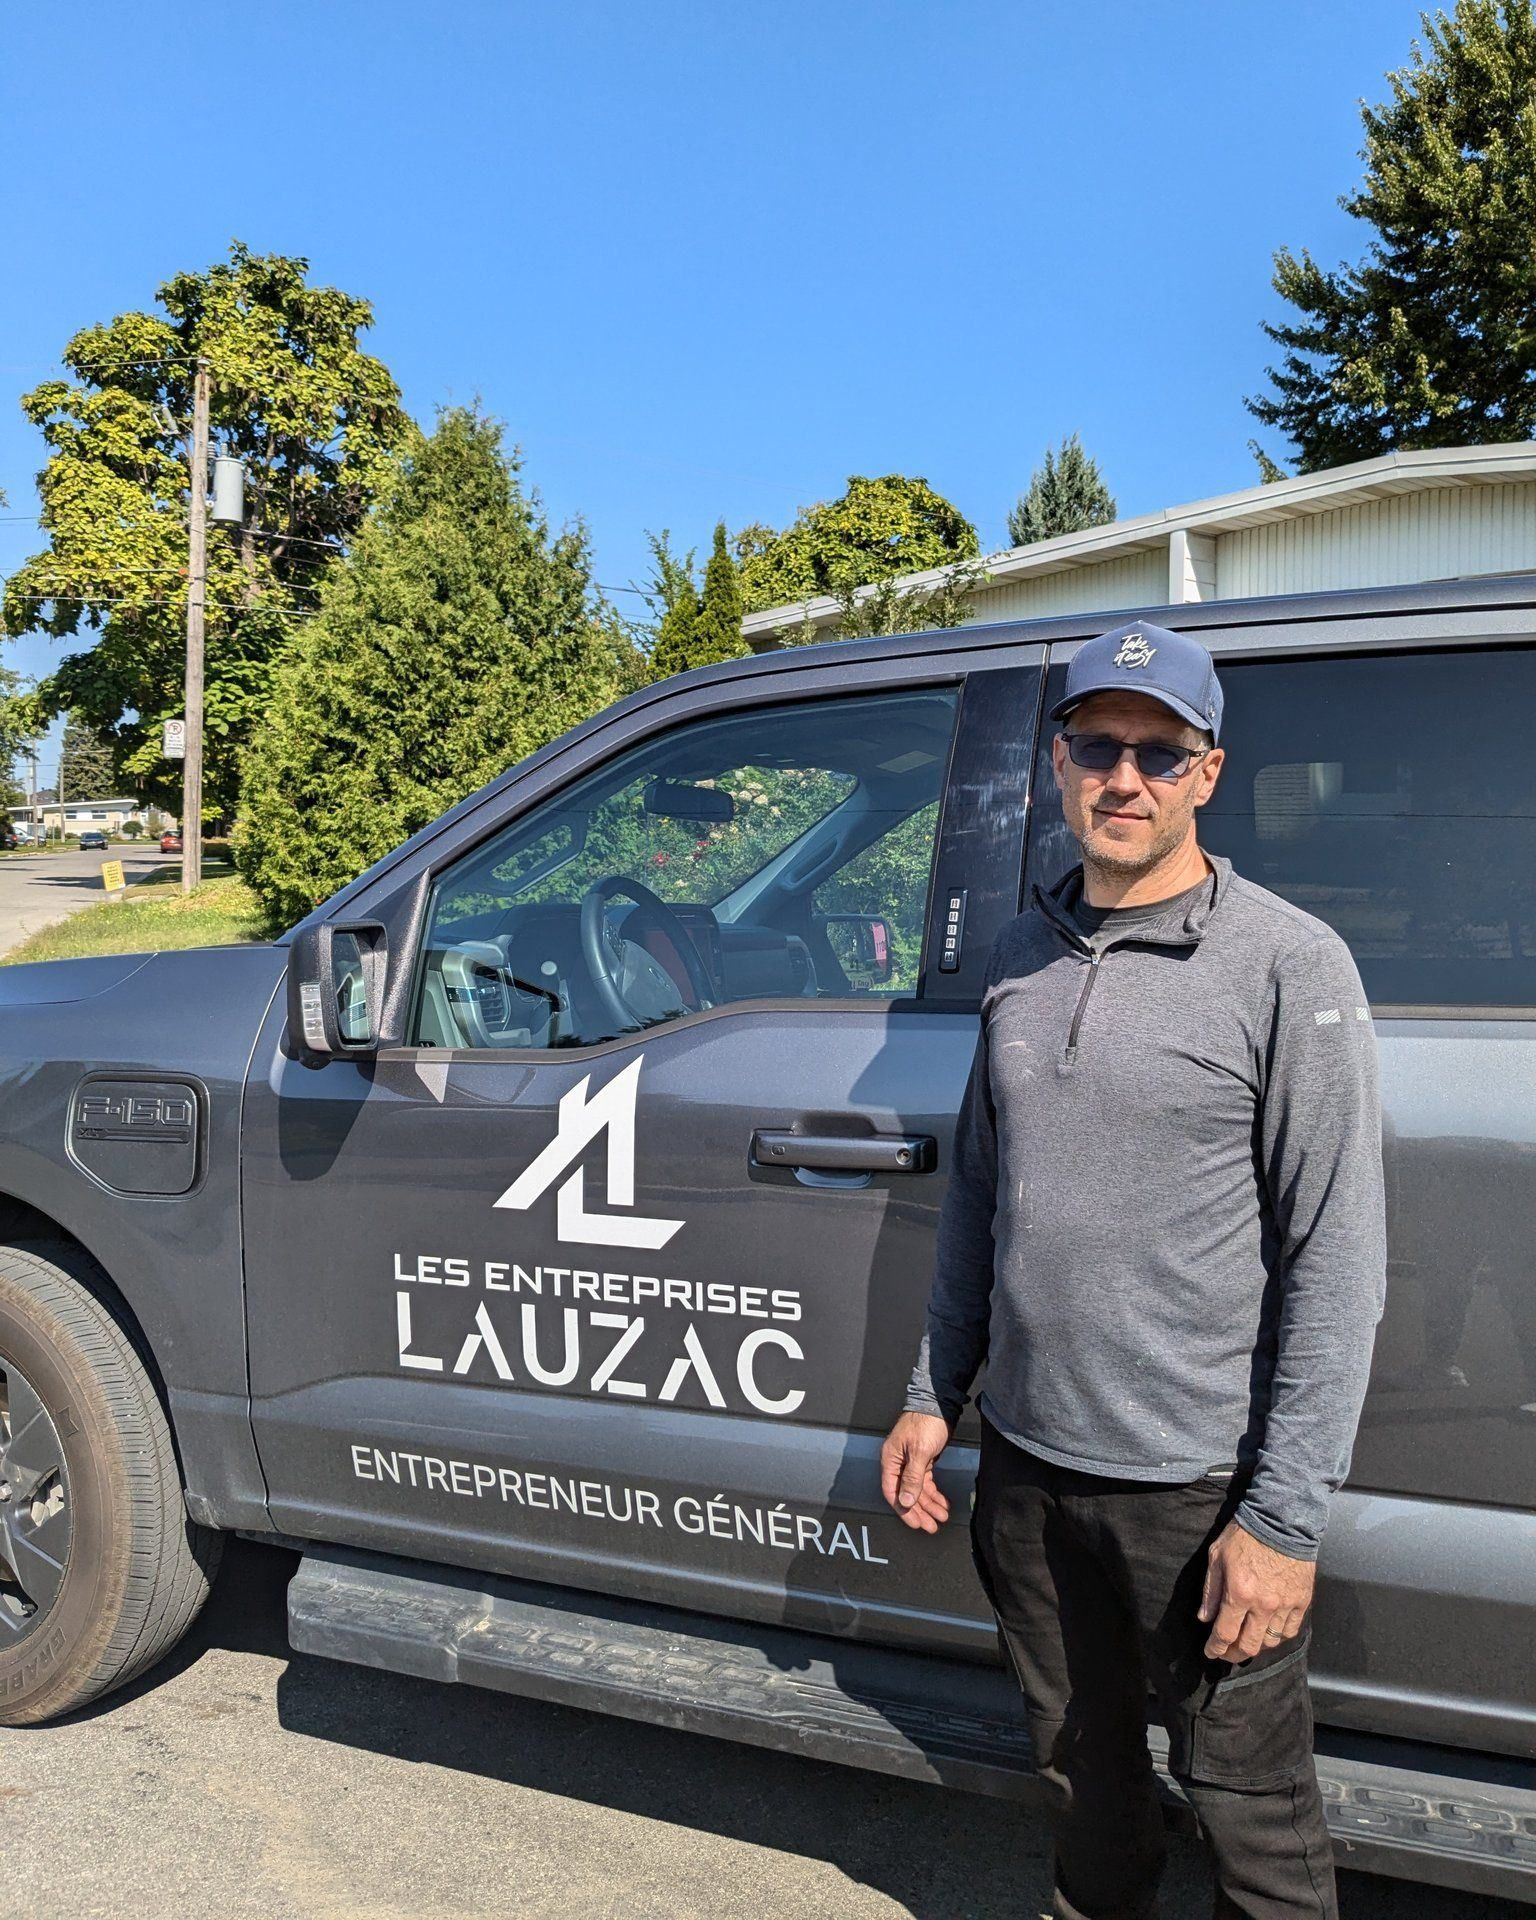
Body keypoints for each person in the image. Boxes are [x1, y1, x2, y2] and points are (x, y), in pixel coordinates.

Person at [881, 619, 1387, 1920]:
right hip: (1034, 1476)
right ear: (1058, 763)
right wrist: (937, 1385)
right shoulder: (1017, 956)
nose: (1125, 777)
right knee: (1079, 1784)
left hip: (1199, 1493)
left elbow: (1340, 1258)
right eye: (1098, 745)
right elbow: (987, 1197)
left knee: (1255, 1828)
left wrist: (1280, 1525)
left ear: (1207, 772)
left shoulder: (1289, 966)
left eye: (1159, 754)